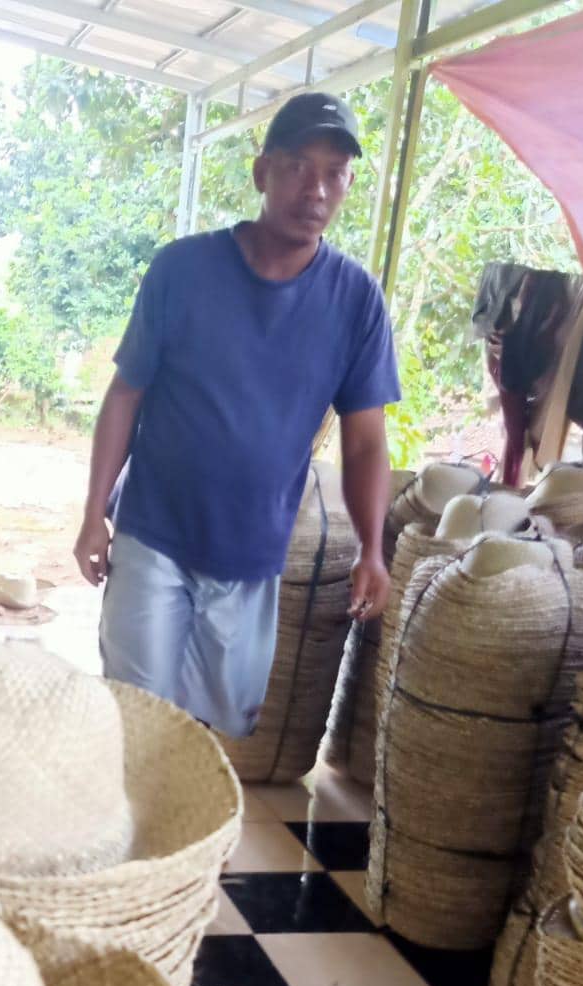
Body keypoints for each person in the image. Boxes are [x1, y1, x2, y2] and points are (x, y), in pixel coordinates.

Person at [73, 92, 399, 739]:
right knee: (133, 722)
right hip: (154, 534)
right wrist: (92, 516)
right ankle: (123, 839)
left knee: (204, 736)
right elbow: (125, 394)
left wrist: (373, 548)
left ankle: (187, 840)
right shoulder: (183, 269)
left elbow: (365, 444)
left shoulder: (356, 301)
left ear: (349, 184)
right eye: (299, 165)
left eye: (334, 172)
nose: (316, 187)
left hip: (252, 555)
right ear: (261, 172)